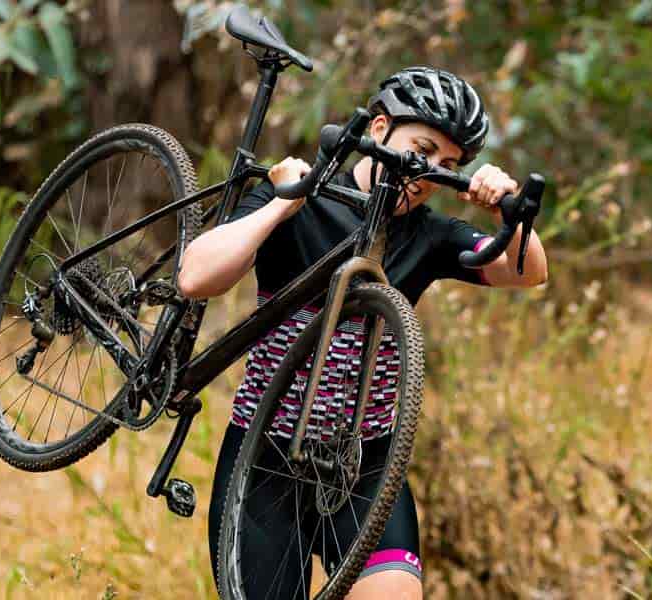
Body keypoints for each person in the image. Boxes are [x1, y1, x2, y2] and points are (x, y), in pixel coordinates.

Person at [177, 66, 549, 599]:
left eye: (448, 165)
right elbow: (195, 277)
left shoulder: (429, 235)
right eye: (422, 150)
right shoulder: (303, 197)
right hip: (264, 460)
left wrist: (505, 212)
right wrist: (283, 202)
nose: (429, 173)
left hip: (363, 464)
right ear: (378, 132)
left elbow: (529, 272)